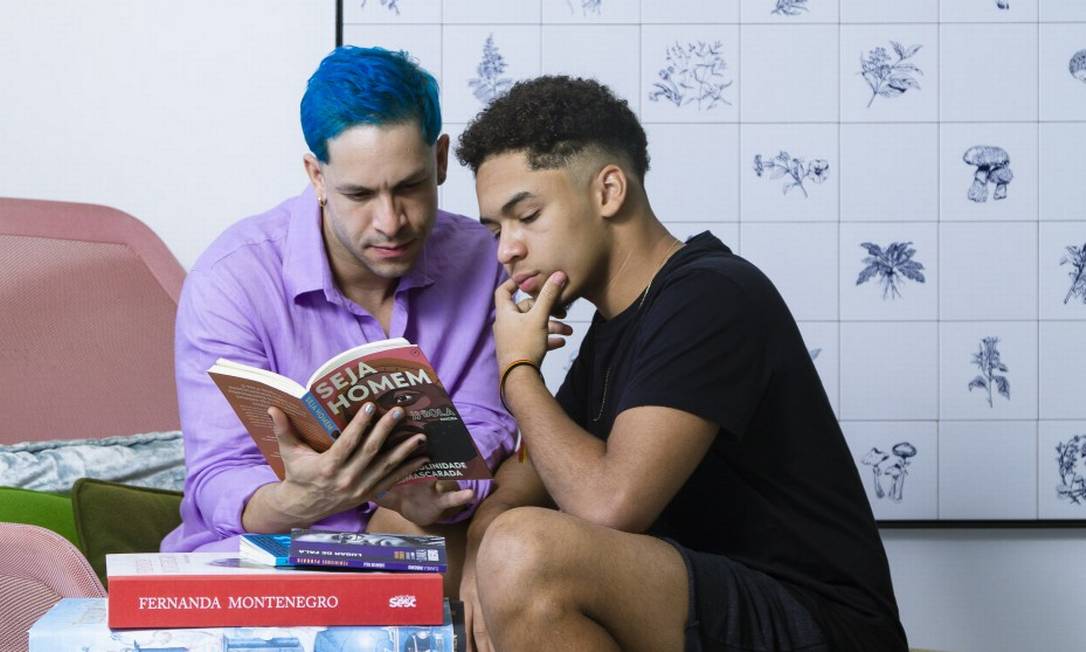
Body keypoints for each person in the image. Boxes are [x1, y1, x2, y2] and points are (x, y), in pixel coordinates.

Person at [454, 76, 908, 651]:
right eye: (495, 229)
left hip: (819, 624)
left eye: (527, 216)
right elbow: (522, 484)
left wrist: (517, 371)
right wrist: (475, 548)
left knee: (525, 551)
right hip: (714, 610)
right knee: (474, 544)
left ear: (609, 191)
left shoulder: (711, 296)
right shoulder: (613, 331)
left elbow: (607, 505)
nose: (506, 250)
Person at [161, 46, 517, 597]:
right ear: (317, 176)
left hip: (422, 542)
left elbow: (484, 426)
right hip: (264, 556)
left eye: (410, 186)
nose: (391, 222)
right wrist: (300, 500)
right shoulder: (231, 279)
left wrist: (437, 487)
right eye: (358, 194)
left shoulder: (481, 260)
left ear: (441, 160)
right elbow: (217, 475)